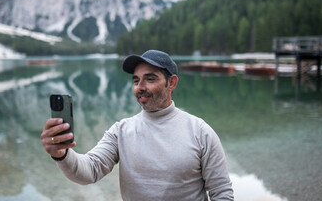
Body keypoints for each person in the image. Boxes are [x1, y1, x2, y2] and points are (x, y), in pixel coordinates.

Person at [41, 50, 234, 201]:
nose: (140, 87)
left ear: (172, 83)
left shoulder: (200, 131)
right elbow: (89, 171)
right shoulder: (121, 131)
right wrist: (61, 154)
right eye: (136, 80)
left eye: (150, 79)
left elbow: (221, 193)